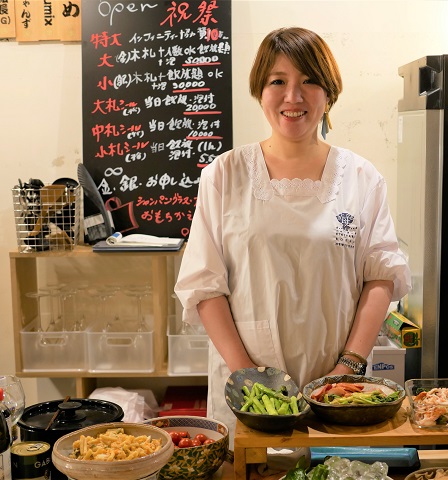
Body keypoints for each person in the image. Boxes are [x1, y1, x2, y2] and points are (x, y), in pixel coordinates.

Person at [174, 26, 411, 447]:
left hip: (338, 384)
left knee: (335, 469)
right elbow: (204, 284)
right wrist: (248, 375)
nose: (293, 97)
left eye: (309, 81)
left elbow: (381, 277)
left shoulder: (360, 177)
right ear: (260, 90)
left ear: (329, 90)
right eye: (278, 81)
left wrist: (348, 367)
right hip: (247, 387)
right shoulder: (224, 176)